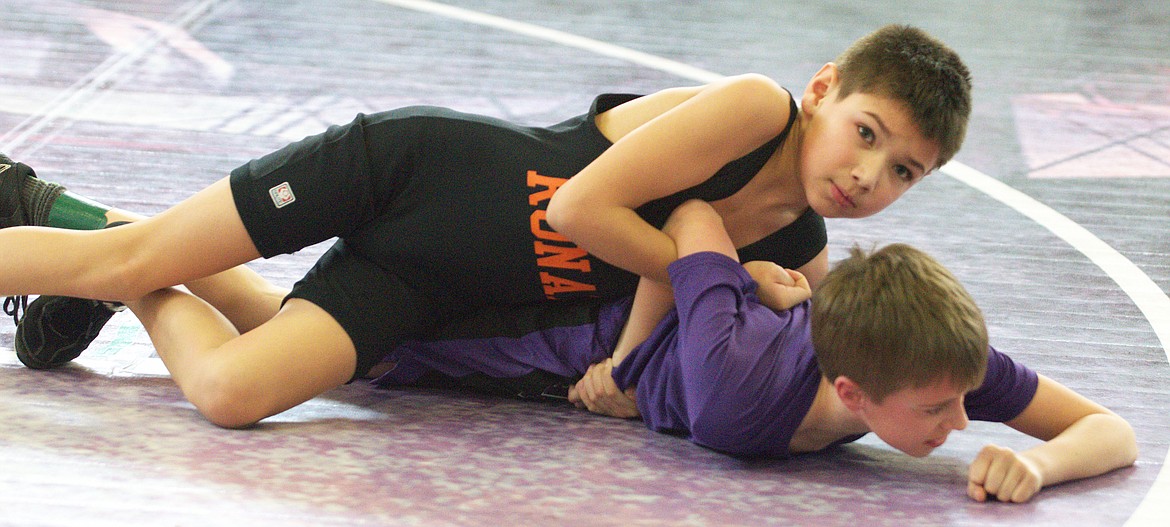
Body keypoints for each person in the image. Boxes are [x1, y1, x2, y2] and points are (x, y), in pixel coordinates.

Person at [0, 24, 971, 428]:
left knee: (229, 390)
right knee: (125, 258)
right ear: (824, 90)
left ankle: (101, 247)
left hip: (436, 285)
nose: (866, 174)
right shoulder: (755, 111)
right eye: (866, 133)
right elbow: (580, 208)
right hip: (413, 173)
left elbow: (678, 291)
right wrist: (717, 269)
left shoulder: (799, 248)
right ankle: (78, 234)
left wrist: (628, 370)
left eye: (904, 172)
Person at [376, 199, 1137, 504]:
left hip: (715, 319)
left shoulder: (930, 356)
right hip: (589, 325)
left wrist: (1040, 462)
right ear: (851, 391)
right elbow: (693, 215)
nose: (965, 421)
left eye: (962, 399)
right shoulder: (735, 398)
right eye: (938, 410)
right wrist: (632, 367)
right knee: (376, 351)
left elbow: (1114, 431)